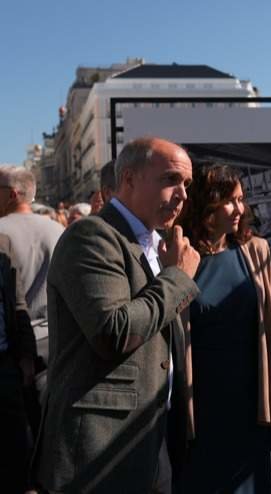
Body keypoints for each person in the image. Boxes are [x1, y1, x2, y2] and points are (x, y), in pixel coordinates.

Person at [34, 137, 201, 493]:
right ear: (128, 179)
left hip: (149, 436)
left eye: (186, 184)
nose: (183, 194)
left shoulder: (156, 243)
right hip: (98, 449)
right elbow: (114, 332)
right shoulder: (93, 235)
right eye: (171, 179)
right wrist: (177, 278)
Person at [176, 163, 271, 493]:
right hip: (201, 402)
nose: (240, 209)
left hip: (251, 396)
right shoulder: (179, 256)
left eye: (241, 199)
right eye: (230, 200)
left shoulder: (256, 250)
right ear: (205, 202)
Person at [0, 166, 64, 434]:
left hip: (15, 350)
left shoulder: (2, 231)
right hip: (57, 342)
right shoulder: (59, 230)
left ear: (13, 194)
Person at [0, 233, 37, 494]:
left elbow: (18, 303)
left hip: (5, 365)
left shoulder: (3, 243)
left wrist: (26, 356)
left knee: (15, 454)